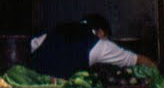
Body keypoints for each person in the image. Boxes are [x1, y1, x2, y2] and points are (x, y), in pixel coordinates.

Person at [29, 13, 157, 79]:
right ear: (101, 32)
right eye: (107, 37)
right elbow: (137, 60)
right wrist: (160, 75)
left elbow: (33, 45)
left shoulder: (56, 29)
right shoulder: (100, 45)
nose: (107, 40)